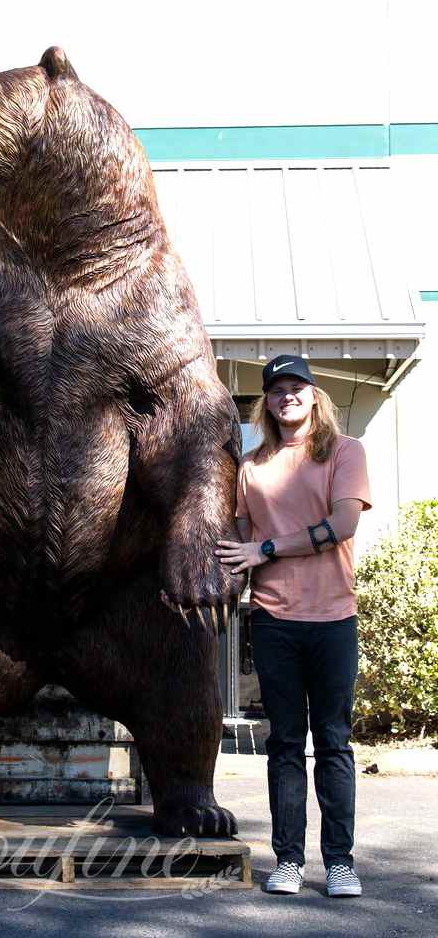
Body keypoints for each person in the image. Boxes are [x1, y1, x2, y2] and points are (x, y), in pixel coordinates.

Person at [215, 354, 371, 899]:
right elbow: (239, 542)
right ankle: (287, 861)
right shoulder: (251, 465)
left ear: (314, 394)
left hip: (333, 619)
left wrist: (268, 548)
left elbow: (343, 523)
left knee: (332, 742)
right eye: (277, 389)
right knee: (283, 744)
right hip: (274, 620)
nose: (288, 396)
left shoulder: (345, 452)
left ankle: (340, 864)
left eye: (297, 387)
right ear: (267, 402)